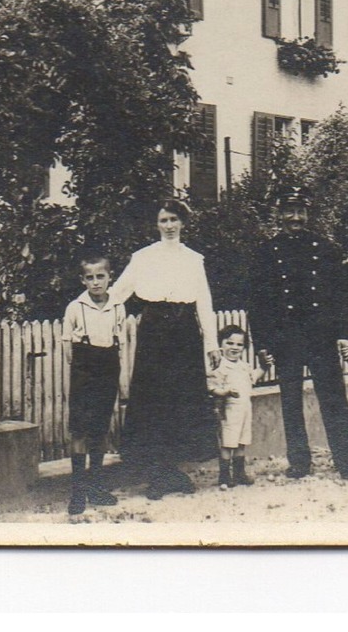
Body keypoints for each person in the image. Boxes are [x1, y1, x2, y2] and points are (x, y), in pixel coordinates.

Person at [249, 186, 348, 483]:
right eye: (290, 211)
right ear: (280, 214)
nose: (295, 217)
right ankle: (299, 463)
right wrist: (263, 342)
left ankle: (347, 463)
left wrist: (343, 333)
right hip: (286, 337)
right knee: (290, 401)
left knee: (334, 400)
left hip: (321, 335)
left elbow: (340, 295)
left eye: (301, 211)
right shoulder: (266, 251)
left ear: (308, 214)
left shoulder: (325, 248)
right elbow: (257, 300)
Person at [111, 197, 221, 498]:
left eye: (174, 220)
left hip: (185, 334)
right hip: (155, 332)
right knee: (155, 400)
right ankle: (157, 474)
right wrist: (87, 313)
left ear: (183, 223)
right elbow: (117, 293)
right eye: (164, 220)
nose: (169, 226)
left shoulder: (194, 259)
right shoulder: (143, 257)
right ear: (156, 224)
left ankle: (174, 471)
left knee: (182, 400)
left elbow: (204, 304)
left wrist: (211, 344)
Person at [61, 253, 129, 515]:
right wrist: (79, 370)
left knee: (100, 429)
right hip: (84, 369)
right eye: (90, 277)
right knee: (79, 429)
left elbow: (121, 342)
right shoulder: (75, 307)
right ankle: (78, 492)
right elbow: (68, 344)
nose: (96, 282)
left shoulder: (117, 306)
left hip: (108, 366)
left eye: (100, 276)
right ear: (83, 280)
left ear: (110, 277)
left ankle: (96, 488)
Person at [208, 323, 272, 488]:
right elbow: (212, 387)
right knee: (227, 443)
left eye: (239, 344)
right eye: (229, 343)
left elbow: (254, 377)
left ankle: (239, 473)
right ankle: (224, 476)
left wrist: (264, 366)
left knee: (241, 442)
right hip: (228, 411)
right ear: (220, 344)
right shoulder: (219, 366)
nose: (234, 348)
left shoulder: (244, 366)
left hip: (244, 411)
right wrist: (226, 391)